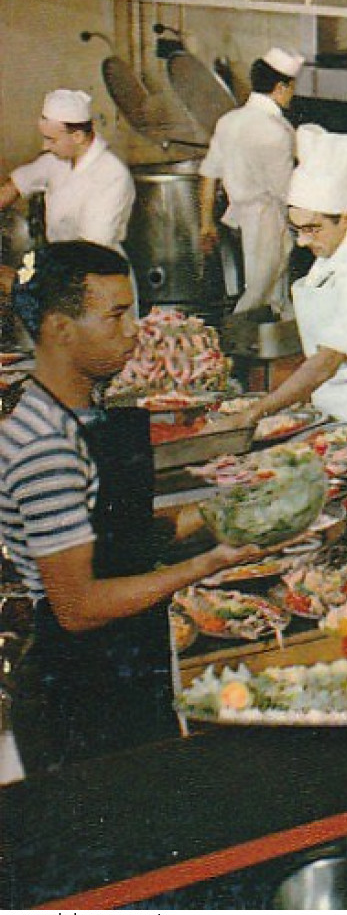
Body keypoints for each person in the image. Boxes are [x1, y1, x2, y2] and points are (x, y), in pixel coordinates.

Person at [0, 242, 270, 773]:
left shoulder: (86, 410)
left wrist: (232, 510)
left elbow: (117, 535)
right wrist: (202, 566)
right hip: (78, 696)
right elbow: (77, 606)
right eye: (117, 316)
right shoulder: (45, 446)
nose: (134, 333)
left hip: (122, 667)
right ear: (59, 329)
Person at [217, 125, 347, 448]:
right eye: (297, 229)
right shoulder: (330, 251)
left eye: (313, 229)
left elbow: (326, 361)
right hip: (332, 403)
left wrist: (254, 413)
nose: (304, 241)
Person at [197, 46, 302, 315]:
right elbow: (285, 191)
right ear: (280, 87)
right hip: (266, 216)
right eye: (292, 87)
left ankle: (275, 347)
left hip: (240, 218)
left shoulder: (228, 121)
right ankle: (228, 349)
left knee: (274, 291)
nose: (292, 94)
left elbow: (209, 174)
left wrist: (206, 222)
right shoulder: (277, 131)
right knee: (259, 291)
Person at [0, 90, 136, 253]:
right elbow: (15, 185)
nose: (45, 146)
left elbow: (91, 248)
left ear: (77, 136)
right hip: (61, 261)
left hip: (97, 270)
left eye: (51, 139)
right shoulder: (57, 159)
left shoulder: (111, 175)